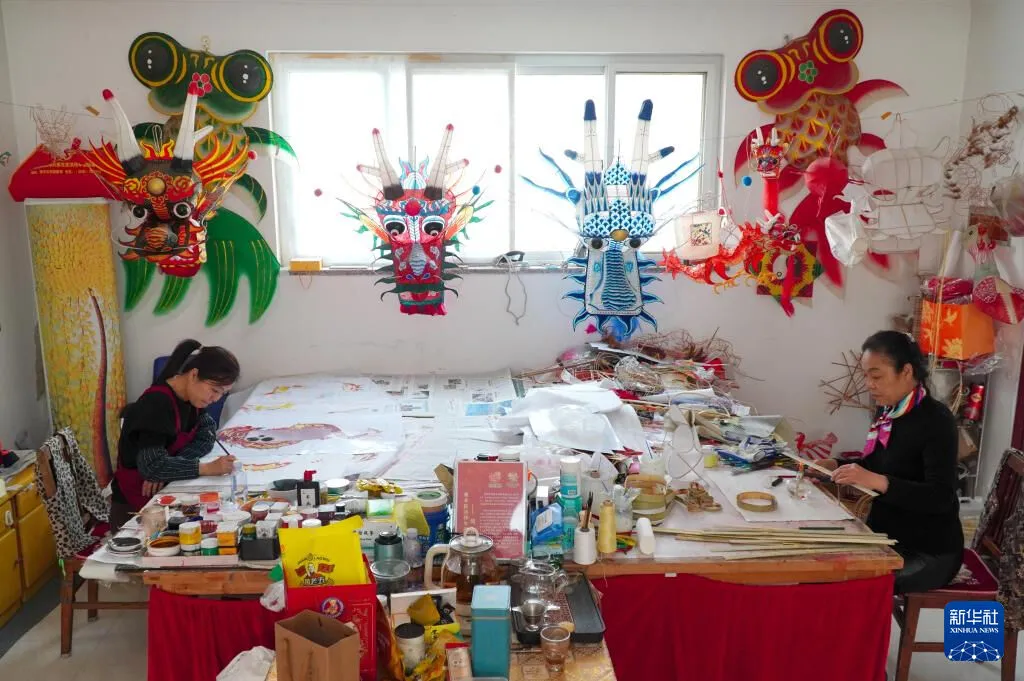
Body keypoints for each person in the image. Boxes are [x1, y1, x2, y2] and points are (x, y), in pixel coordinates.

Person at [818, 331, 964, 594]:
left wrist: (878, 481)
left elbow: (940, 497)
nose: (869, 385)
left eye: (876, 376)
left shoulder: (936, 421)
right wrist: (833, 464)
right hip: (886, 536)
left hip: (929, 551)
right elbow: (877, 464)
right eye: (866, 376)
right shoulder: (889, 411)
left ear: (906, 371)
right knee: (820, 564)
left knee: (844, 585)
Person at [110, 339, 240, 529]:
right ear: (194, 375)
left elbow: (207, 435)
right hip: (135, 509)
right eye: (214, 390)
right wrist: (206, 468)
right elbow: (152, 467)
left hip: (163, 497)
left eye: (222, 394)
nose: (216, 399)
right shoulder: (157, 404)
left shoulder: (191, 399)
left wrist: (171, 466)